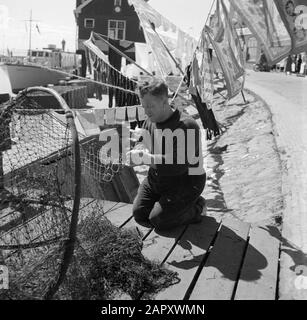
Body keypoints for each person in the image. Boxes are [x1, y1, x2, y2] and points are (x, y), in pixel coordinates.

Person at [126, 79, 206, 231]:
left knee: (159, 220)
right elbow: (142, 143)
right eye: (144, 106)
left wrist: (145, 158)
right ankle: (169, 205)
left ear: (164, 101)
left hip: (186, 183)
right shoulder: (149, 120)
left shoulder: (187, 125)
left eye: (150, 106)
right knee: (139, 214)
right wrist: (135, 153)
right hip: (157, 180)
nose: (147, 111)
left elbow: (177, 166)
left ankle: (198, 206)